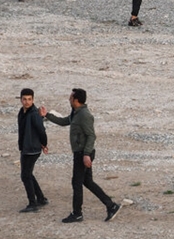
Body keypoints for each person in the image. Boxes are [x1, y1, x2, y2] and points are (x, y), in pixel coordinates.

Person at [40, 89, 122, 224]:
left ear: (76, 100)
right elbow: (65, 121)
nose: (69, 99)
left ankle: (77, 213)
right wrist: (47, 115)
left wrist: (86, 155)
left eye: (71, 97)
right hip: (81, 153)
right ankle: (111, 205)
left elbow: (91, 136)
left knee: (77, 183)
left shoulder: (84, 115)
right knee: (87, 182)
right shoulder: (76, 112)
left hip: (83, 154)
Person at [17, 89, 49, 213]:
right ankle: (40, 198)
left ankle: (33, 203)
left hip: (32, 149)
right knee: (28, 174)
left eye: (29, 99)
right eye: (24, 99)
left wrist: (44, 144)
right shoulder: (22, 112)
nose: (27, 102)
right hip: (25, 148)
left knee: (25, 175)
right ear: (21, 99)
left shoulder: (34, 114)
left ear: (33, 99)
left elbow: (42, 130)